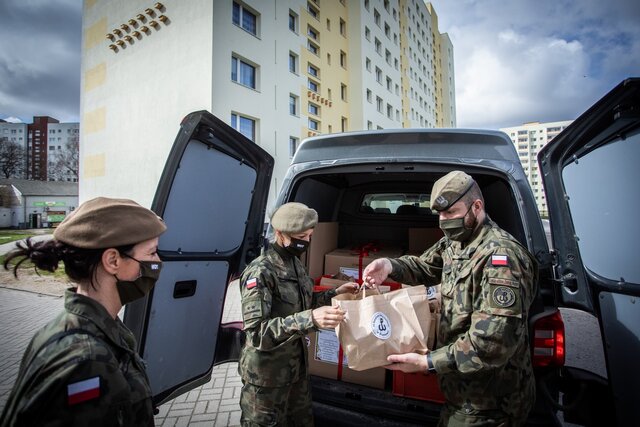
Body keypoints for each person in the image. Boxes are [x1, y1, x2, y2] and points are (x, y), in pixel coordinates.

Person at [364, 171, 538, 427]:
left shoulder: (501, 258)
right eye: (440, 215)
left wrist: (429, 362)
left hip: (491, 403)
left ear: (476, 207)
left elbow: (491, 344)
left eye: (451, 213)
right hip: (462, 395)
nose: (444, 222)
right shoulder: (457, 242)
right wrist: (389, 266)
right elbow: (425, 267)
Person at [1, 197, 167, 427]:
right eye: (151, 253)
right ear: (113, 261)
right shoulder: (86, 363)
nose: (157, 262)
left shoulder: (76, 330)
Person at [238, 202, 358, 426]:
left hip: (296, 372)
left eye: (310, 235)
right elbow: (256, 333)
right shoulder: (260, 272)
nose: (307, 241)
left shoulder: (294, 263)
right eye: (301, 236)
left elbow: (304, 300)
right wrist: (310, 319)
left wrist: (335, 293)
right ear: (280, 234)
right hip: (267, 379)